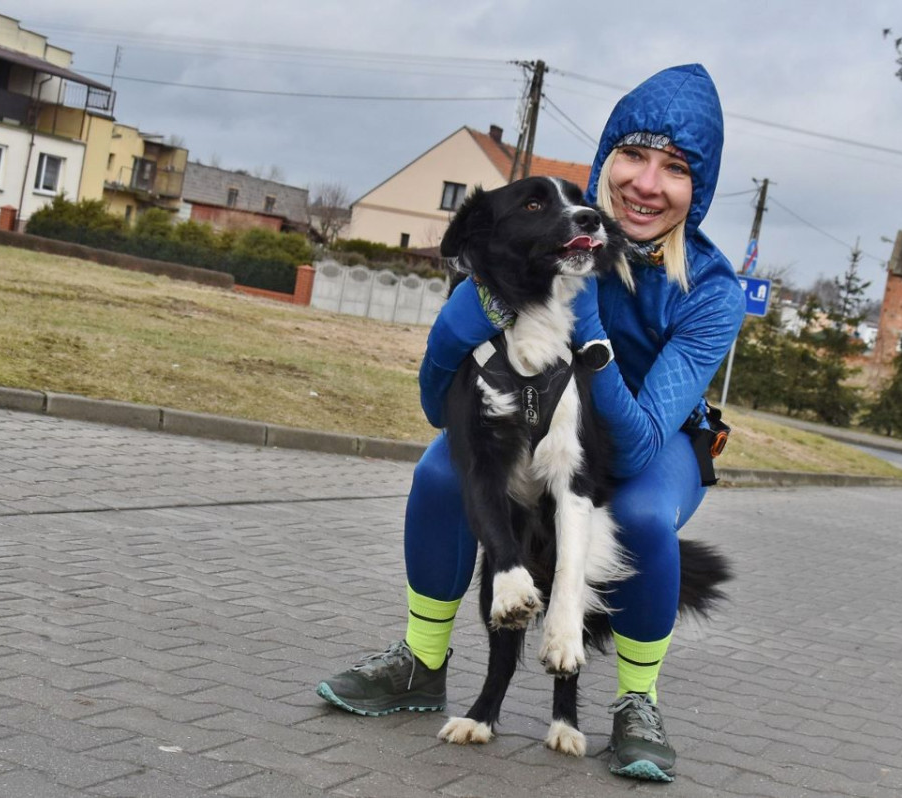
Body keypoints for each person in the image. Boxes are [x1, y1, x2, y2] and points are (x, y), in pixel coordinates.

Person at [316, 63, 744, 784]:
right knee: (441, 472)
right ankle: (422, 661)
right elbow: (436, 409)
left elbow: (636, 448)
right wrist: (473, 312)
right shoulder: (546, 229)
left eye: (675, 168)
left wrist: (588, 311)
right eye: (633, 155)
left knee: (638, 513)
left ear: (696, 191)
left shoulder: (711, 291)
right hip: (538, 418)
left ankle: (637, 702)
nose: (646, 182)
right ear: (606, 157)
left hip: (653, 438)